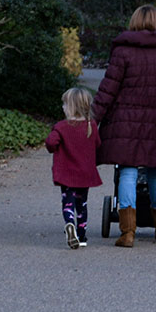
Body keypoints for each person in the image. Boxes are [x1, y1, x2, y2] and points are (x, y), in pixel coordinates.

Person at [93, 4, 156, 247]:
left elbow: (108, 89)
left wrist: (92, 119)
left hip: (126, 123)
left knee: (127, 170)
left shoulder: (123, 51)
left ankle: (128, 232)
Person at [44, 86, 102, 249]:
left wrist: (57, 147)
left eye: (64, 104)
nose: (62, 107)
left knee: (68, 203)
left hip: (67, 173)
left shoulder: (61, 127)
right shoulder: (91, 125)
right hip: (85, 174)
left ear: (70, 107)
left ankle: (69, 223)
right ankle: (82, 236)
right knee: (82, 204)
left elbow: (50, 143)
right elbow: (97, 144)